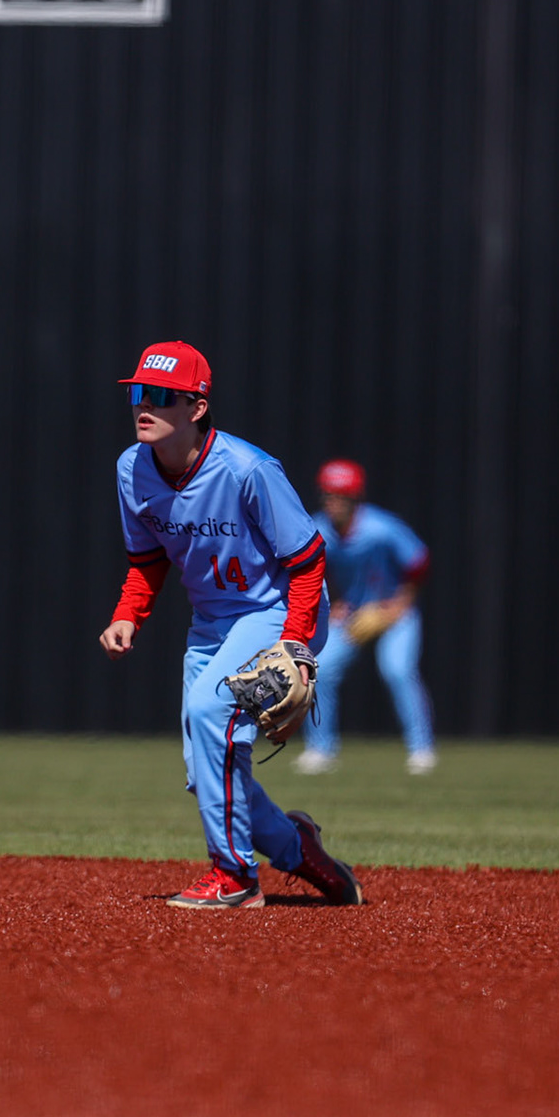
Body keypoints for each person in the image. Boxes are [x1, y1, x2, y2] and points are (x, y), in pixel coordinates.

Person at [98, 340, 364, 909]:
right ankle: (299, 851)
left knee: (207, 712)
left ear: (195, 408)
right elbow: (146, 562)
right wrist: (127, 615)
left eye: (162, 396)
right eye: (139, 394)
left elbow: (308, 558)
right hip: (212, 622)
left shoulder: (248, 469)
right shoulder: (132, 469)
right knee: (206, 768)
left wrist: (295, 640)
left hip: (272, 612)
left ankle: (234, 875)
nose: (144, 406)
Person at [302, 458, 438, 776]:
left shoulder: (381, 527)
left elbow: (419, 563)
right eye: (328, 495)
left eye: (340, 495)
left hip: (394, 611)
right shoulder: (318, 528)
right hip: (353, 614)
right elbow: (310, 571)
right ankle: (321, 750)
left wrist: (402, 602)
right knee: (317, 668)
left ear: (355, 498)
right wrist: (333, 603)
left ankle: (422, 750)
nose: (332, 502)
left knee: (398, 671)